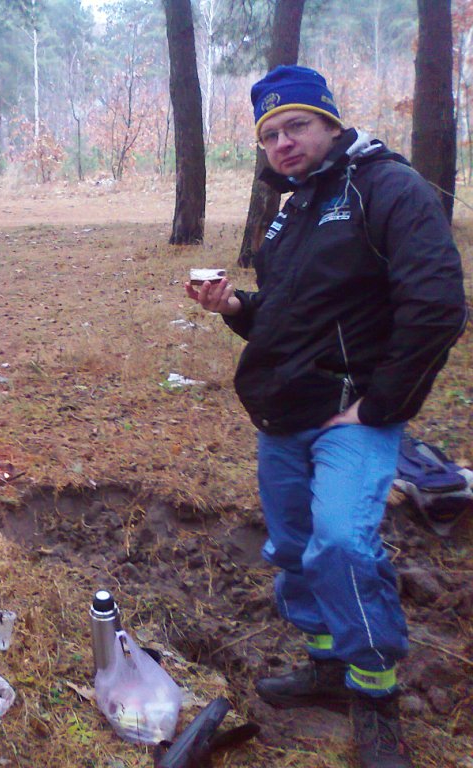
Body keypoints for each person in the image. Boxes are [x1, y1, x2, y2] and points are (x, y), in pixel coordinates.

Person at [186, 65, 466, 768]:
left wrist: (378, 406)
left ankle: (374, 695)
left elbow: (438, 307)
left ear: (331, 123)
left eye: (297, 126)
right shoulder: (292, 208)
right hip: (284, 414)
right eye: (270, 135)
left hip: (353, 415)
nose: (282, 143)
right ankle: (325, 664)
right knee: (292, 547)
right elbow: (288, 319)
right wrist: (235, 307)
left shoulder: (387, 188)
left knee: (340, 544)